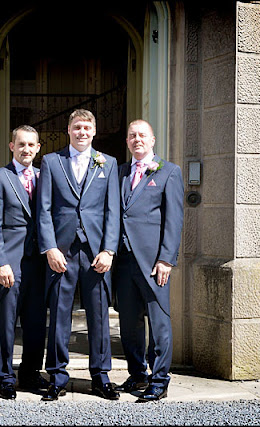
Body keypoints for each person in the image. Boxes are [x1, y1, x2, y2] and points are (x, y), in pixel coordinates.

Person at [36, 109, 120, 401]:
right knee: (59, 315)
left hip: (96, 253)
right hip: (62, 252)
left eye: (87, 127)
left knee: (99, 317)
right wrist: (49, 248)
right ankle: (57, 376)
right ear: (68, 130)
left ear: (94, 132)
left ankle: (101, 377)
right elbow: (43, 209)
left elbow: (113, 211)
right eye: (77, 127)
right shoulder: (51, 161)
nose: (82, 132)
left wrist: (109, 250)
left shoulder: (108, 164)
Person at [113, 119, 184, 402]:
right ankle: (137, 373)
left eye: (142, 135)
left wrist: (166, 258)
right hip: (124, 261)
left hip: (155, 262)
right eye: (132, 135)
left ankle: (160, 378)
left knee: (158, 322)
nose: (137, 139)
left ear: (152, 140)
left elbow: (174, 219)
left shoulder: (169, 172)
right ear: (128, 141)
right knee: (129, 322)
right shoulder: (119, 172)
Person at [0, 125, 49, 400]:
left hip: (39, 264)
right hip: (10, 262)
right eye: (21, 144)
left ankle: (31, 373)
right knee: (7, 321)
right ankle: (6, 376)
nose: (26, 150)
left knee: (35, 322)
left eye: (31, 145)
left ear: (38, 148)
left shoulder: (45, 177)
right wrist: (0, 262)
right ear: (12, 146)